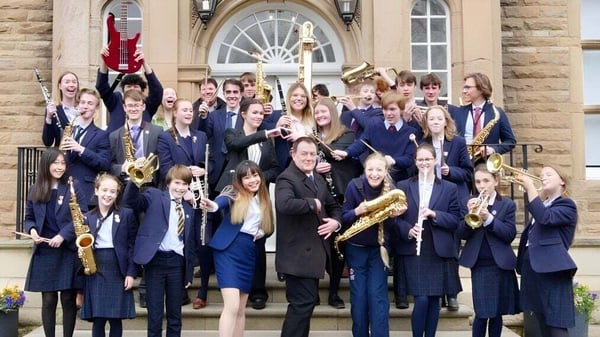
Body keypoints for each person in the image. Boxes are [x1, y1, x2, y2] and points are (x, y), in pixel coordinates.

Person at [392, 143, 462, 337]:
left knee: (434, 300)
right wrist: (408, 230)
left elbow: (456, 220)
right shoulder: (403, 186)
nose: (424, 163)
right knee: (421, 299)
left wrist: (434, 214)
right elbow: (394, 218)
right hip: (414, 249)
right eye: (420, 159)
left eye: (427, 159)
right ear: (415, 161)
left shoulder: (449, 188)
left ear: (435, 161)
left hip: (437, 249)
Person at [275, 137, 343, 337]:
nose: (309, 158)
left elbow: (334, 206)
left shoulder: (318, 178)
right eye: (304, 153)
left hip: (314, 256)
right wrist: (312, 203)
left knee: (305, 306)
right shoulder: (286, 178)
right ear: (293, 154)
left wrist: (335, 222)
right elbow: (284, 204)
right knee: (301, 305)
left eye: (312, 154)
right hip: (296, 257)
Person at [199, 161, 274, 337]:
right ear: (240, 181)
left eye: (255, 175)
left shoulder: (263, 198)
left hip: (248, 251)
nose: (252, 180)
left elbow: (267, 227)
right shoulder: (234, 192)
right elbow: (221, 202)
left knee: (240, 309)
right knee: (231, 306)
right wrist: (213, 206)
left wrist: (261, 232)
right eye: (246, 177)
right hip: (228, 250)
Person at [122, 164, 199, 337]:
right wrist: (134, 181)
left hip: (177, 264)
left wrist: (188, 273)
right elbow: (131, 202)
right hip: (155, 261)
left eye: (185, 184)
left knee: (175, 316)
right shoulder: (154, 196)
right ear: (169, 182)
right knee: (155, 315)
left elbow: (190, 243)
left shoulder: (188, 209)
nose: (180, 188)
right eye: (177, 183)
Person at [24, 147, 84, 337]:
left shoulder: (75, 186)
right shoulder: (35, 189)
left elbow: (79, 218)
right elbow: (29, 218)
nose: (60, 167)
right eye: (56, 163)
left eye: (63, 163)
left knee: (68, 298)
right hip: (45, 249)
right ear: (46, 164)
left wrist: (62, 236)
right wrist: (32, 231)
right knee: (48, 299)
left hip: (67, 249)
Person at [341, 152, 402, 337]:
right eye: (370, 169)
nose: (374, 174)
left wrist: (394, 217)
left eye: (379, 170)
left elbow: (394, 229)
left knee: (378, 299)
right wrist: (357, 211)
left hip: (379, 252)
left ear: (385, 171)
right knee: (359, 299)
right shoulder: (354, 186)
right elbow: (344, 218)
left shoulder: (391, 190)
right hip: (356, 251)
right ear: (364, 170)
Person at [419, 105, 472, 311]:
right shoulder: (422, 143)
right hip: (430, 199)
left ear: (446, 121)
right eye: (431, 119)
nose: (435, 122)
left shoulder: (457, 143)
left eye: (438, 119)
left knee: (451, 248)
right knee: (433, 248)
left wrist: (451, 171)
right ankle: (437, 292)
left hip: (452, 200)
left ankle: (452, 293)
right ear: (426, 122)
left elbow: (468, 172)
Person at [457, 164, 520, 337]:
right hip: (480, 264)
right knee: (483, 312)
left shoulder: (506, 205)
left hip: (500, 265)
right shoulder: (468, 202)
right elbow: (461, 234)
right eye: (478, 181)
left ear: (496, 181)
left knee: (497, 312)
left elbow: (509, 234)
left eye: (486, 180)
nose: (482, 185)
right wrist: (469, 215)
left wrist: (489, 218)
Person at [515, 166, 578, 337]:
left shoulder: (567, 205)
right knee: (542, 323)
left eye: (549, 174)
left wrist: (530, 188)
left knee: (556, 325)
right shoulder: (542, 204)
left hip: (553, 270)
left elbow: (545, 218)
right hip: (534, 269)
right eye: (542, 175)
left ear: (562, 181)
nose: (544, 177)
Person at [314, 97, 362, 308]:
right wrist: (314, 167)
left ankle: (334, 292)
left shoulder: (347, 134)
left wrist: (325, 162)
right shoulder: (311, 136)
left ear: (333, 112)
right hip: (316, 196)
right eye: (316, 112)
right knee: (315, 245)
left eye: (324, 111)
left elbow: (334, 154)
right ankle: (313, 290)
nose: (320, 116)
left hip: (339, 198)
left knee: (337, 246)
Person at [80, 173, 137, 337]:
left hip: (118, 268)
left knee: (115, 318)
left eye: (113, 191)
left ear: (117, 194)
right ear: (96, 191)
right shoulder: (87, 218)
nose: (108, 195)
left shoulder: (126, 214)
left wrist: (131, 273)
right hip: (95, 268)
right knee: (98, 318)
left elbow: (132, 245)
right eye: (104, 190)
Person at [333, 91, 416, 183]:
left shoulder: (410, 132)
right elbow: (361, 143)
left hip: (399, 180)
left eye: (392, 109)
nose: (388, 113)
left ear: (401, 110)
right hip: (374, 179)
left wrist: (394, 161)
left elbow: (409, 159)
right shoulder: (374, 125)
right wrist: (347, 152)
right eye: (385, 109)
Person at [61, 88, 111, 208]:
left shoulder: (102, 135)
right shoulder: (66, 130)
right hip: (63, 189)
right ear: (77, 105)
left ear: (96, 108)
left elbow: (104, 163)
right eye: (82, 103)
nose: (85, 106)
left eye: (90, 103)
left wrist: (81, 149)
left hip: (85, 192)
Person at [448, 72, 516, 161]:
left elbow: (510, 141)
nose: (464, 91)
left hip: (486, 164)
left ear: (480, 89)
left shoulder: (497, 113)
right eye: (464, 87)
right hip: (463, 163)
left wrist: (493, 149)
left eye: (468, 87)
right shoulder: (458, 112)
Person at [97, 47, 164, 133]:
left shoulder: (148, 105)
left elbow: (157, 91)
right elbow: (101, 86)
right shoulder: (116, 100)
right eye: (128, 87)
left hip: (141, 144)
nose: (132, 89)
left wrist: (144, 63)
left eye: (136, 87)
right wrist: (105, 61)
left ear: (142, 91)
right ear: (123, 90)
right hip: (115, 144)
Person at [109, 89, 163, 185]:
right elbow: (110, 164)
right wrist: (122, 168)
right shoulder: (115, 135)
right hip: (125, 186)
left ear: (143, 107)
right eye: (130, 105)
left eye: (137, 105)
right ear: (124, 108)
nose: (133, 109)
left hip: (149, 186)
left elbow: (162, 161)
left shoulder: (157, 131)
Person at [200, 79, 244, 195]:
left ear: (241, 94)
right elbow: (204, 136)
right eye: (228, 92)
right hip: (216, 171)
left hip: (239, 169)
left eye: (235, 92)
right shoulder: (214, 115)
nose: (232, 96)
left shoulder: (246, 115)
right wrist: (203, 117)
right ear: (223, 94)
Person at [273, 82, 315, 170]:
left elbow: (319, 143)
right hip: (285, 168)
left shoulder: (313, 119)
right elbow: (261, 132)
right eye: (295, 95)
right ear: (289, 98)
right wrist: (276, 127)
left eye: (303, 96)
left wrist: (301, 138)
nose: (299, 98)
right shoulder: (277, 115)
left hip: (309, 166)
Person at [42, 71, 80, 147]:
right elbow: (47, 142)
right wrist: (48, 118)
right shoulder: (54, 110)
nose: (71, 85)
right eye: (67, 82)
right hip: (63, 156)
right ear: (60, 86)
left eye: (74, 82)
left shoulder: (83, 109)